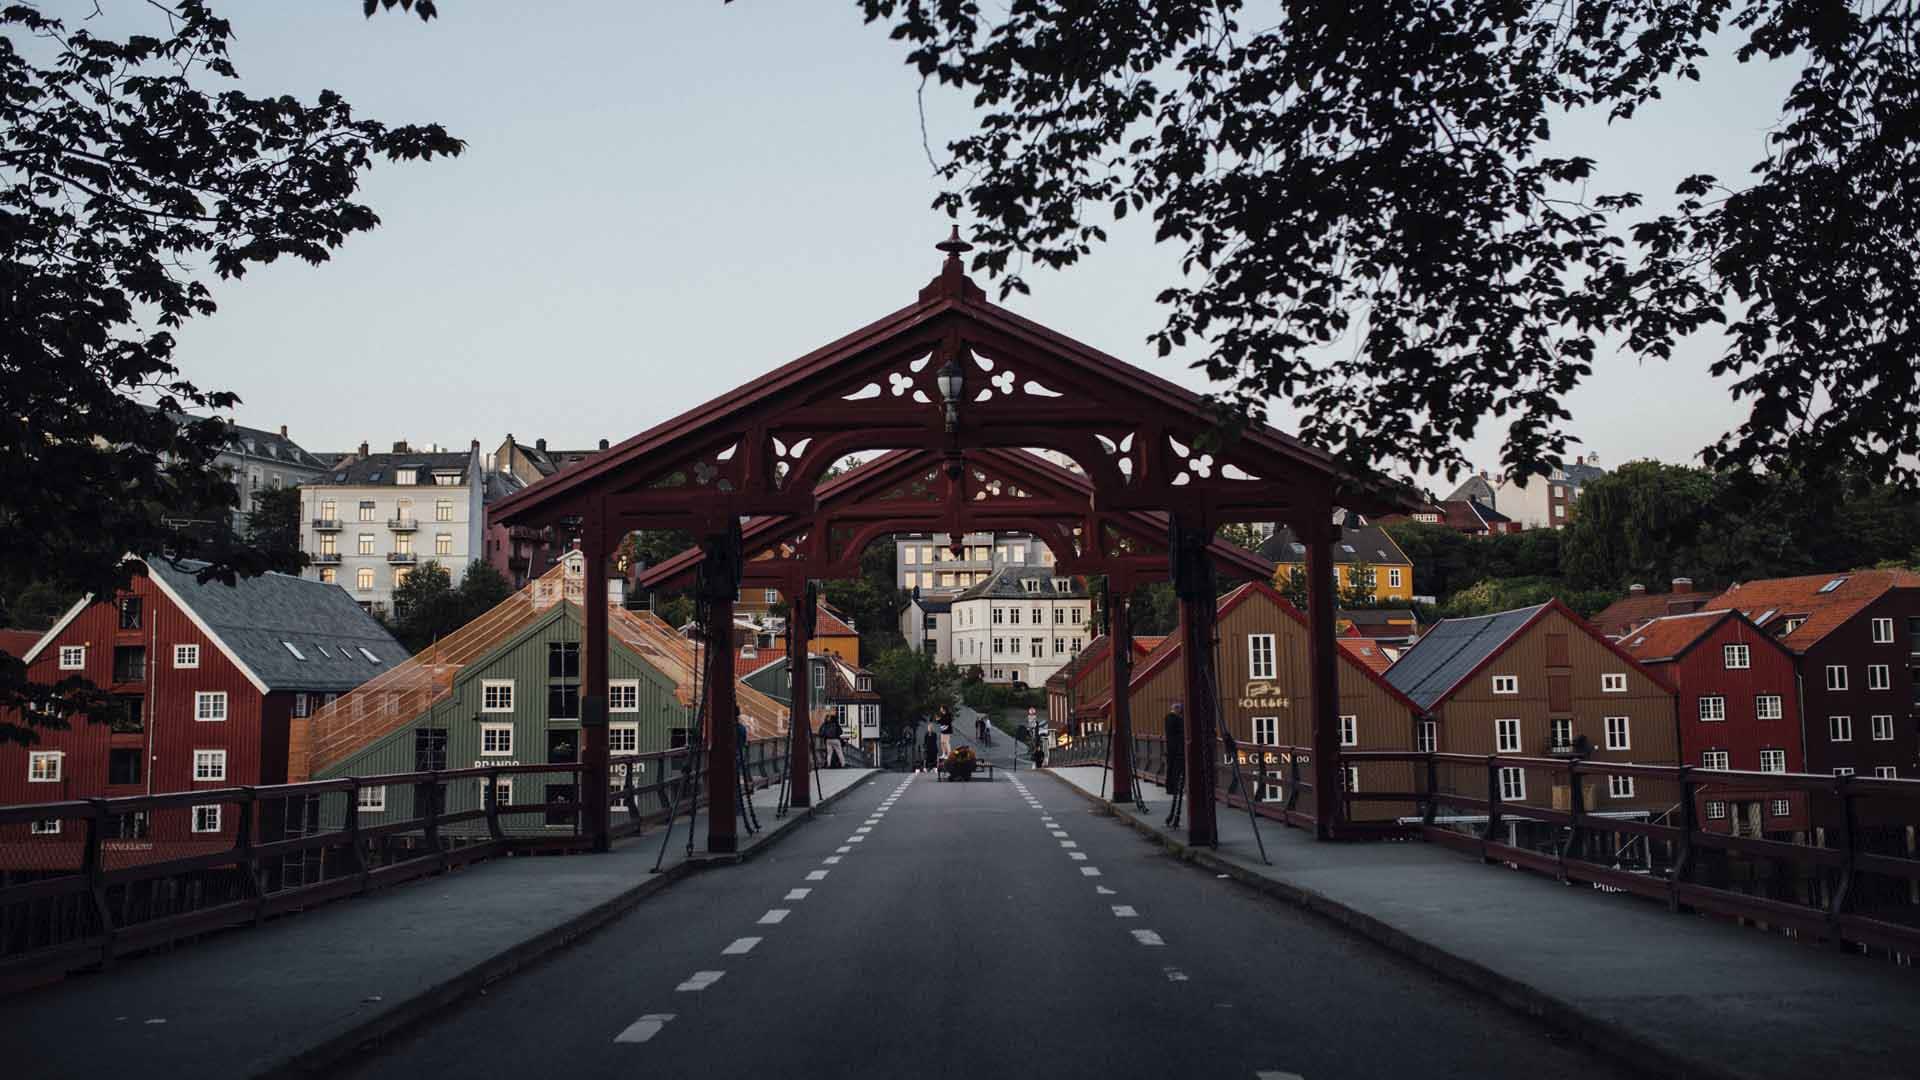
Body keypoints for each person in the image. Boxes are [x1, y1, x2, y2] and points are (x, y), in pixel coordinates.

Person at [1163, 702, 1187, 828]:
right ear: (1177, 709)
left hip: (1172, 748)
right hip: (1177, 749)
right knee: (1175, 770)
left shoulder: (1168, 718)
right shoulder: (1174, 719)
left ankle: (1171, 787)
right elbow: (1181, 733)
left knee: (1171, 769)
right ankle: (1173, 787)